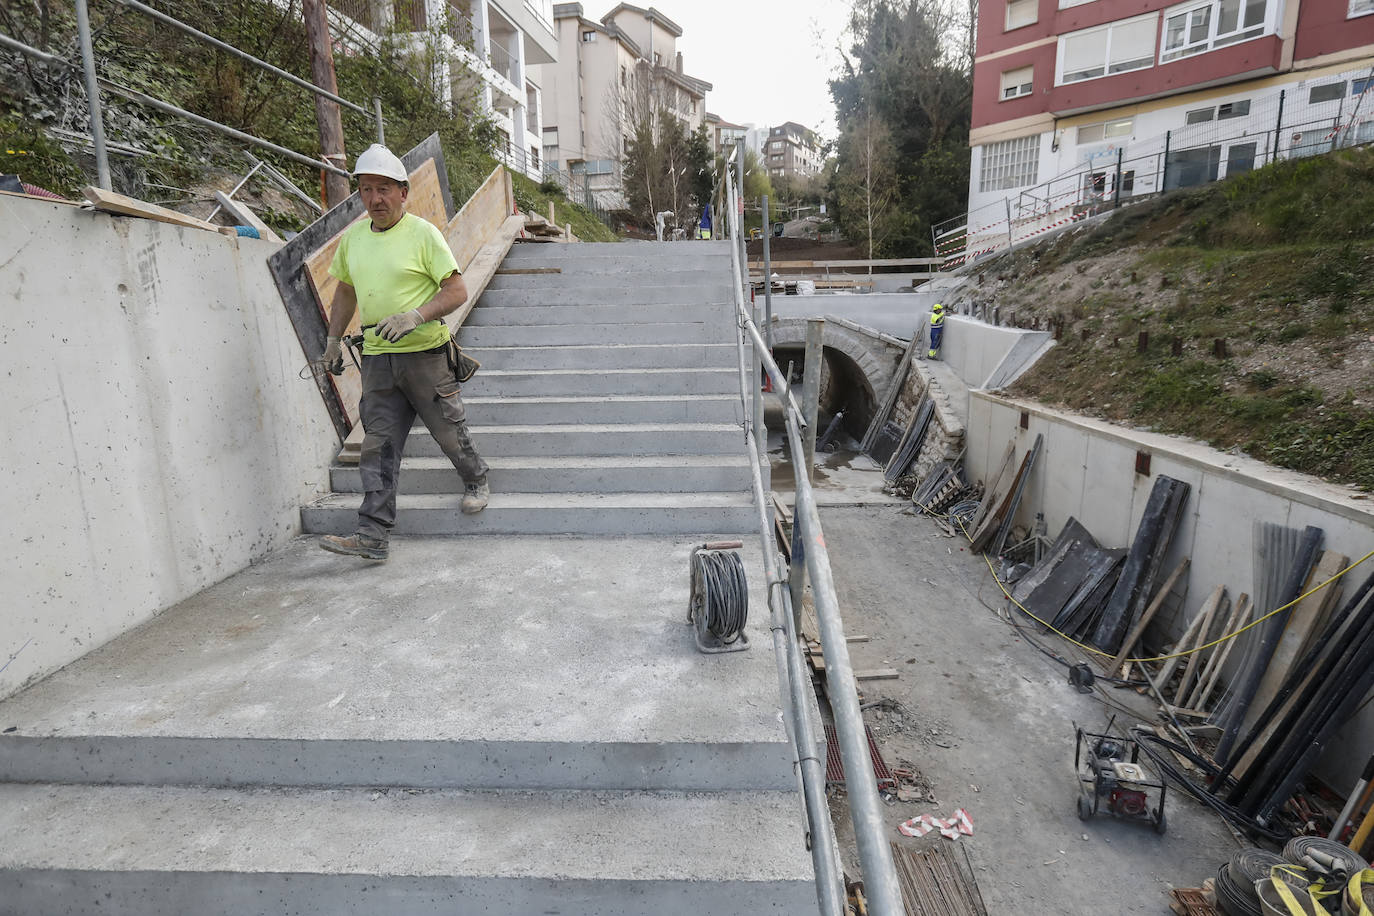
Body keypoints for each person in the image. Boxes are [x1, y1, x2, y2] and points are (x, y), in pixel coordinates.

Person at [318, 143, 489, 562]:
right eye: (366, 190)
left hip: (426, 358)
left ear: (403, 192)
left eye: (384, 189)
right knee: (377, 446)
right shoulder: (353, 240)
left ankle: (476, 479)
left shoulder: (423, 235)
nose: (375, 199)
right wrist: (332, 338)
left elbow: (456, 290)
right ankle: (372, 534)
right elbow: (345, 291)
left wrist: (415, 315)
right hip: (378, 360)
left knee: (449, 433)